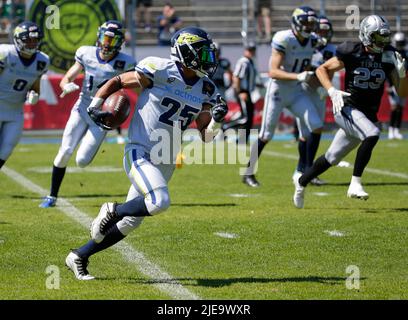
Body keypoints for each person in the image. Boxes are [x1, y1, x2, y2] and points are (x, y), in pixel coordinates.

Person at [64, 26, 228, 280]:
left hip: (166, 158)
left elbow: (206, 136)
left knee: (132, 221)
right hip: (140, 151)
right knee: (159, 202)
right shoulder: (160, 68)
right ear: (186, 51)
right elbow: (119, 81)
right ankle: (112, 210)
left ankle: (78, 256)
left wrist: (216, 121)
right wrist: (96, 104)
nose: (209, 59)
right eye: (203, 53)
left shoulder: (206, 88)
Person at [293, 15, 406, 208]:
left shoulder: (388, 55)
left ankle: (301, 182)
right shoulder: (352, 51)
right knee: (372, 134)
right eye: (378, 37)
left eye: (384, 37)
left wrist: (403, 75)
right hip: (346, 108)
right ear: (367, 35)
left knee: (331, 158)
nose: (383, 41)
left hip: (367, 115)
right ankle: (355, 183)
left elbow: (402, 92)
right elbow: (321, 70)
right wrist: (331, 90)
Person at [39, 21, 136, 208]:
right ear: (99, 36)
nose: (107, 43)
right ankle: (52, 196)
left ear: (120, 42)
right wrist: (65, 84)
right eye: (105, 37)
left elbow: (138, 89)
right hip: (82, 108)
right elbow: (68, 76)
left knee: (82, 161)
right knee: (65, 151)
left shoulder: (127, 62)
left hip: (102, 117)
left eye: (112, 39)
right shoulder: (86, 52)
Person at [242, 6, 323, 187]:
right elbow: (273, 72)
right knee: (266, 134)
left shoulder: (313, 41)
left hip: (296, 90)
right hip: (278, 90)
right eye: (306, 23)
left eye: (312, 23)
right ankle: (248, 173)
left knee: (316, 125)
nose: (309, 27)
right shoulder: (284, 38)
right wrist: (299, 76)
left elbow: (309, 64)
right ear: (296, 22)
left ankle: (306, 171)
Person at [292, 15, 337, 186]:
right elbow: (303, 68)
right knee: (305, 132)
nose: (323, 34)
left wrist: (325, 87)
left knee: (316, 129)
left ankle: (306, 170)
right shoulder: (308, 45)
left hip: (319, 92)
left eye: (326, 31)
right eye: (320, 30)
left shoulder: (331, 49)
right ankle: (303, 169)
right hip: (304, 91)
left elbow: (330, 72)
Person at [0, 21, 49, 171]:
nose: (32, 43)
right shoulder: (6, 54)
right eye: (28, 40)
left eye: (35, 40)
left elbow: (35, 87)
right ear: (18, 39)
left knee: (5, 151)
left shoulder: (42, 61)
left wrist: (34, 94)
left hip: (15, 112)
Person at [222, 41, 259, 142]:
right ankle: (225, 127)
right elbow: (237, 77)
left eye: (253, 50)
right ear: (246, 50)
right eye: (250, 50)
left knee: (249, 118)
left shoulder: (250, 62)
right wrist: (240, 92)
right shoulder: (244, 61)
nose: (252, 52)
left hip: (248, 92)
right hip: (243, 92)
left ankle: (242, 140)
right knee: (245, 118)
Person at [387, 31, 407, 139]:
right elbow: (389, 71)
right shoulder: (391, 54)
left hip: (404, 84)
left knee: (400, 108)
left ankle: (397, 130)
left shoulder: (406, 53)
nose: (400, 44)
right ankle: (391, 129)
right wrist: (389, 85)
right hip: (394, 84)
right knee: (394, 107)